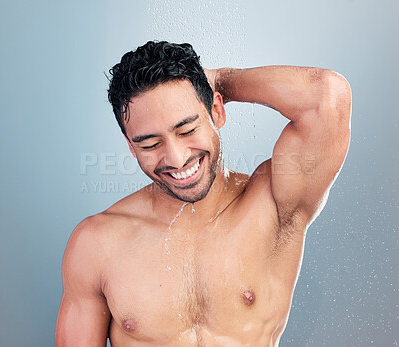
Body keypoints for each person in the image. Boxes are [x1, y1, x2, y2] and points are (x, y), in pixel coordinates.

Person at [55, 41, 352, 346]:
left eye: (186, 130)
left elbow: (327, 96)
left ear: (216, 110)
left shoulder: (273, 204)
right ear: (131, 147)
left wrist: (222, 80)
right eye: (149, 145)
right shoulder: (96, 244)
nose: (176, 158)